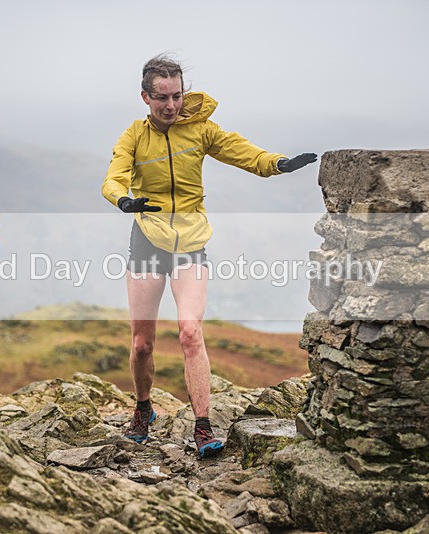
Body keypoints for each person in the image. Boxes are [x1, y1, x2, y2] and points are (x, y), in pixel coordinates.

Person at [102, 55, 317, 458]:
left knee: (189, 331)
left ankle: (202, 426)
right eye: (162, 97)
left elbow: (242, 151)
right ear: (145, 97)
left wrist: (278, 164)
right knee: (142, 344)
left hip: (190, 241)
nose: (171, 105)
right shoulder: (133, 136)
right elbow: (113, 176)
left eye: (177, 96)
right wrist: (123, 199)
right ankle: (143, 409)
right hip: (147, 240)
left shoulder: (199, 130)